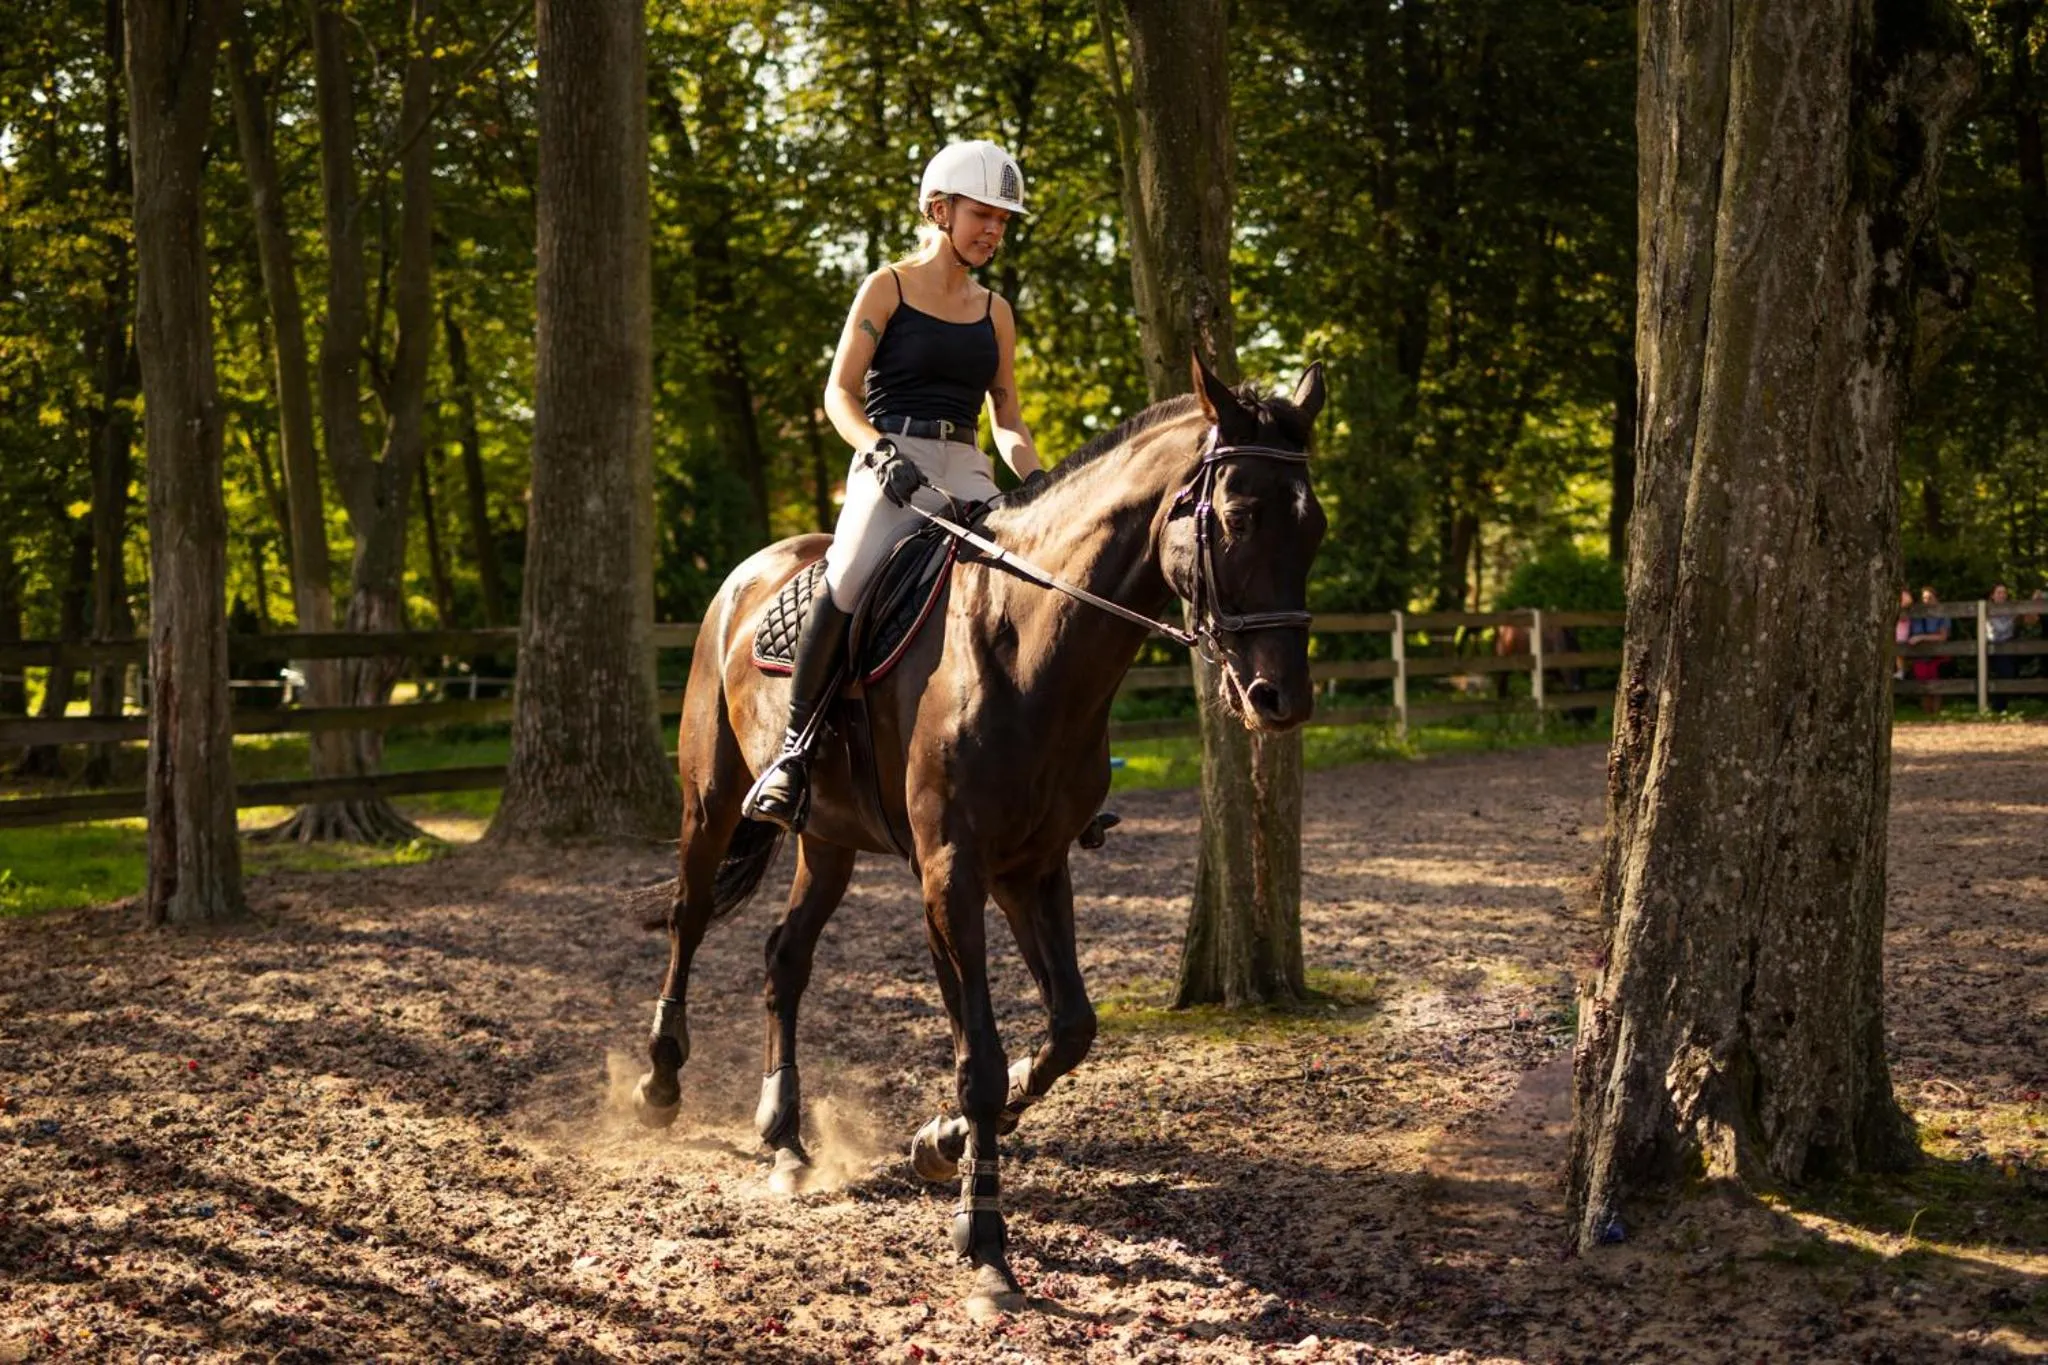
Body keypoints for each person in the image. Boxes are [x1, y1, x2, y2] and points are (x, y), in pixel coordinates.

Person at [742, 140, 1045, 831]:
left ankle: (1049, 766)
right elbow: (839, 393)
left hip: (968, 464)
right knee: (846, 576)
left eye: (1003, 220)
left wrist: (1037, 480)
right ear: (940, 209)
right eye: (982, 215)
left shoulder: (996, 311)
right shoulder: (889, 288)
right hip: (891, 461)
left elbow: (1008, 417)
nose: (994, 231)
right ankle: (793, 753)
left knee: (1031, 590)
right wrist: (879, 453)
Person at [1906, 584, 1949, 716]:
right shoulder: (1916, 615)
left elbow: (1942, 636)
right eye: (1924, 598)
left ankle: (1936, 712)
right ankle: (1926, 713)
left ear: (1936, 599)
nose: (1927, 601)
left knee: (1936, 684)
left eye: (1930, 598)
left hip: (1937, 653)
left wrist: (1921, 637)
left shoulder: (1942, 614)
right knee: (1922, 683)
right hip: (1920, 654)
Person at [1986, 582, 2018, 712]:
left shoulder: (2010, 609)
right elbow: (1999, 629)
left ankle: (2002, 706)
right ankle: (1997, 707)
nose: (2002, 595)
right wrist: (2013, 618)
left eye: (2004, 593)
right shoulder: (1988, 610)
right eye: (1999, 592)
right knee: (2002, 673)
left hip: (2009, 645)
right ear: (1993, 595)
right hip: (1995, 646)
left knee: (2009, 674)